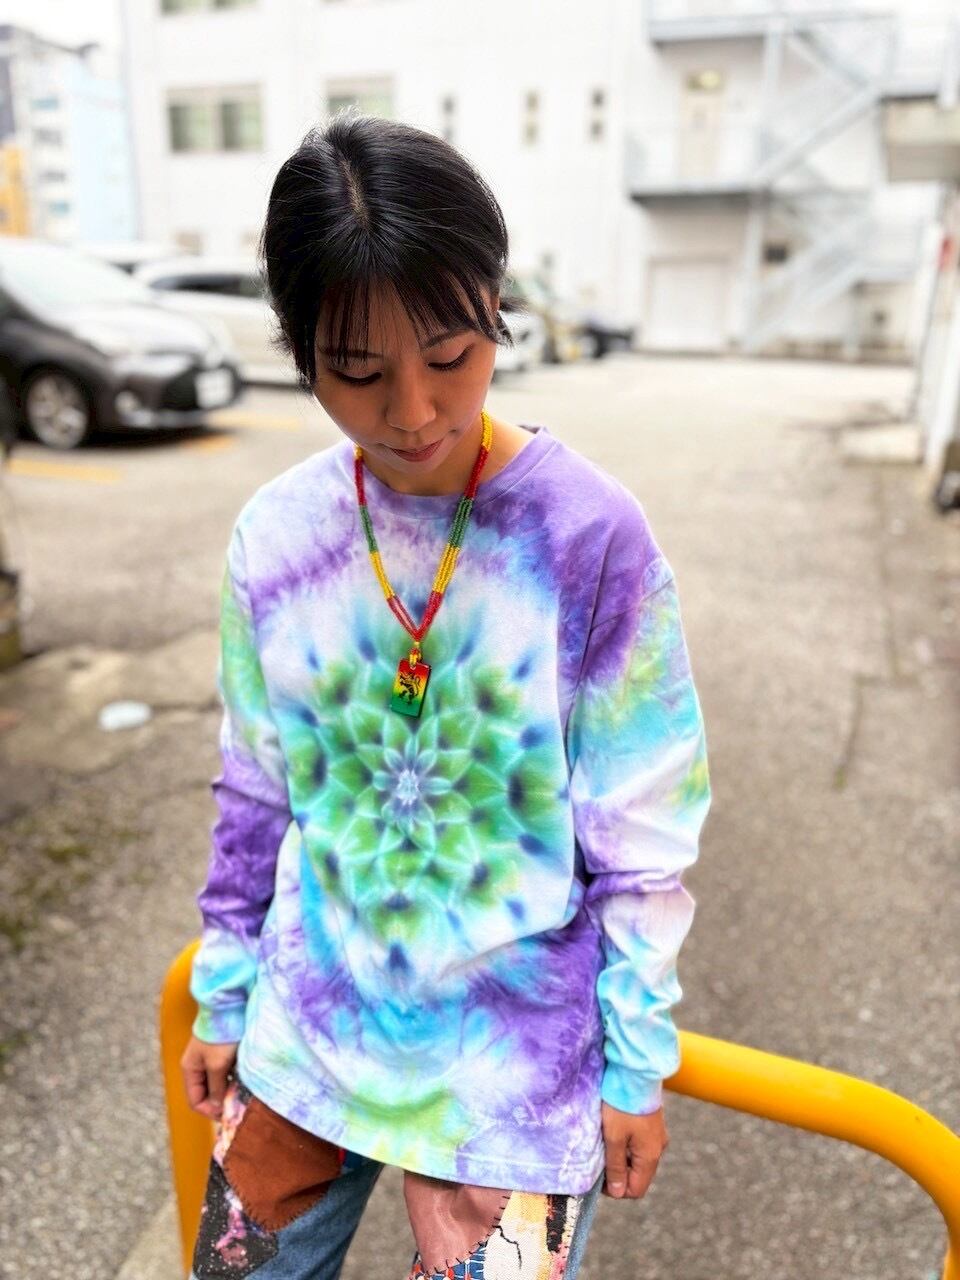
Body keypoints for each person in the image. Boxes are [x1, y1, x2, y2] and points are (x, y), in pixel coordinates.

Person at [180, 111, 711, 1280]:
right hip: (306, 1034)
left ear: (495, 306)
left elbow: (641, 830)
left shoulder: (590, 535)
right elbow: (255, 787)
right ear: (300, 351)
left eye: (451, 355)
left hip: (515, 1070)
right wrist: (221, 991)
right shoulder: (277, 533)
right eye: (358, 371)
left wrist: (637, 1061)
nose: (413, 411)